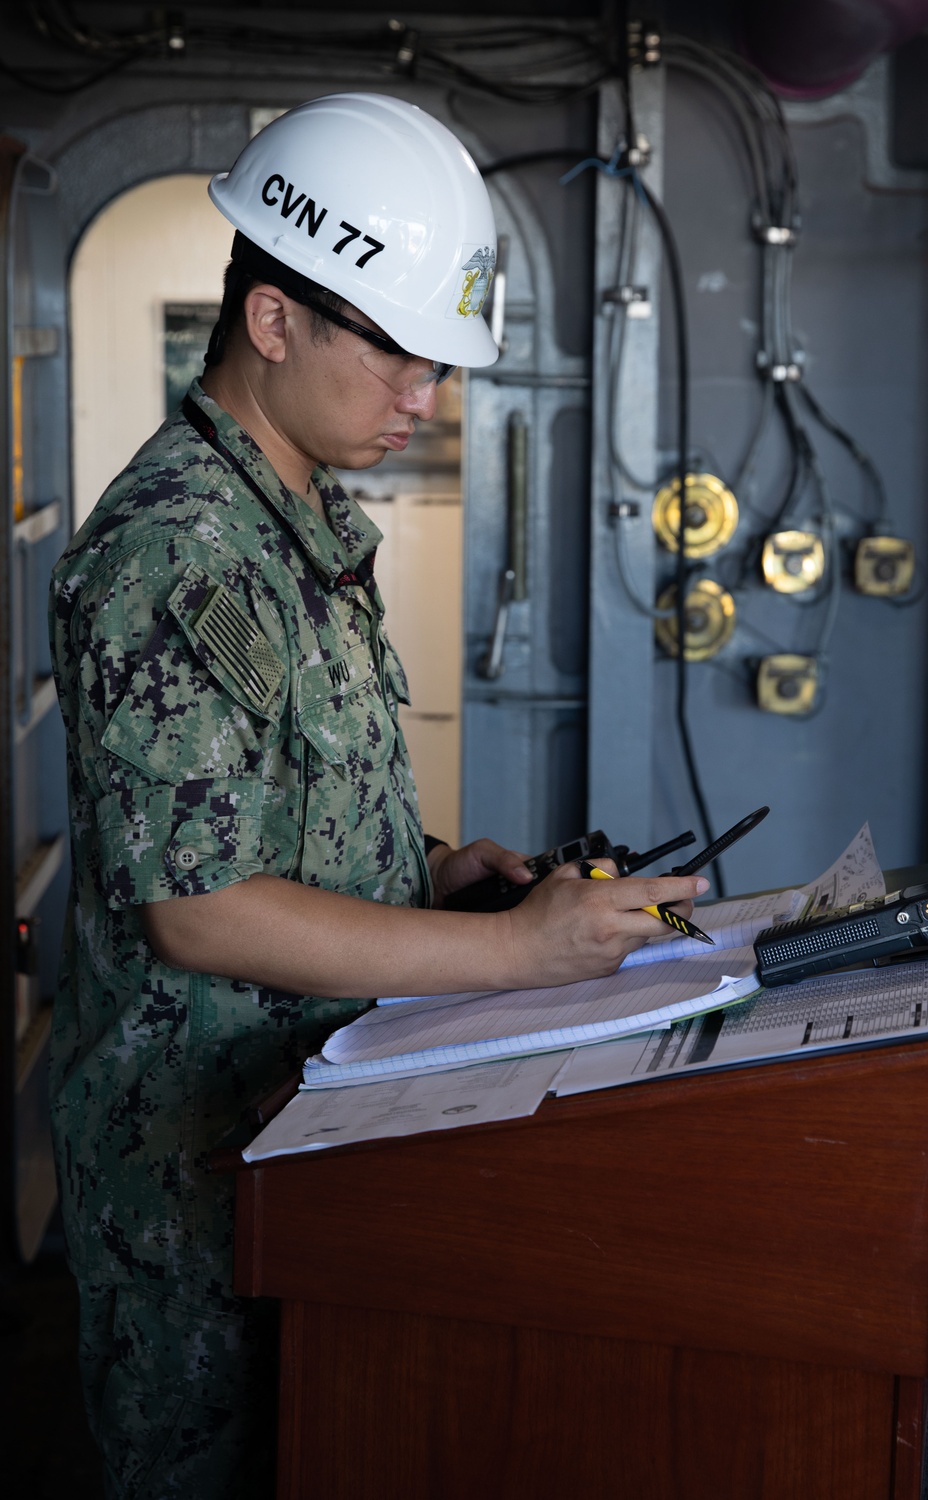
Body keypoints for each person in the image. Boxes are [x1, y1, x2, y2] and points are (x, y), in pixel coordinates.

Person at [48, 93, 707, 1499]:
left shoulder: (295, 526)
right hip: (192, 1177)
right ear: (275, 321)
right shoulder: (180, 550)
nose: (427, 396)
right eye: (400, 355)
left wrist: (430, 869)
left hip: (310, 1133)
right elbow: (199, 907)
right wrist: (515, 952)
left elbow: (274, 805)